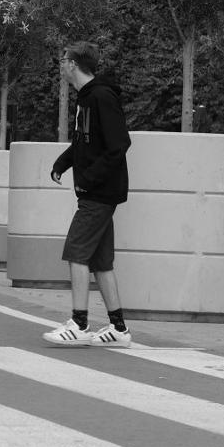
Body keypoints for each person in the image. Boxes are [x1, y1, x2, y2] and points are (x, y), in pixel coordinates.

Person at [42, 41, 133, 347]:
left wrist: (89, 179)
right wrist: (62, 163)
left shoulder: (101, 97)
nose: (60, 65)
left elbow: (120, 144)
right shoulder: (86, 97)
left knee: (76, 252)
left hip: (99, 192)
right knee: (100, 261)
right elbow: (84, 141)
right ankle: (118, 328)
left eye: (63, 60)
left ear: (74, 64)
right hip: (98, 191)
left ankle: (79, 324)